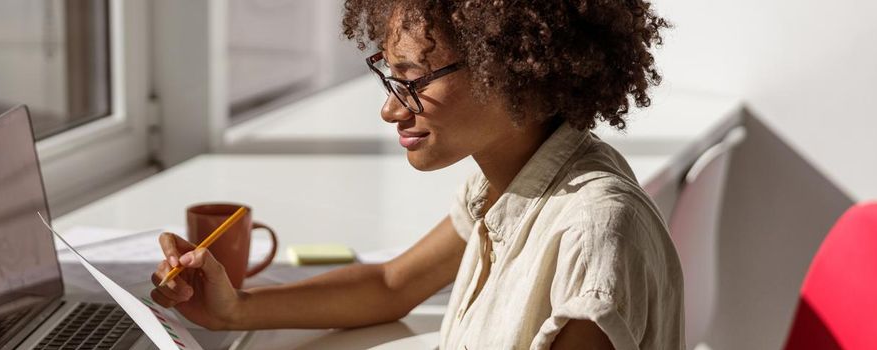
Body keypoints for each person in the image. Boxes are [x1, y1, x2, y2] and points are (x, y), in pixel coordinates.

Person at [151, 0, 682, 348]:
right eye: (391, 75)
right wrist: (231, 310)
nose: (390, 109)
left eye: (413, 79)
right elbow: (391, 284)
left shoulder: (593, 231)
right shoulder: (501, 182)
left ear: (516, 70)